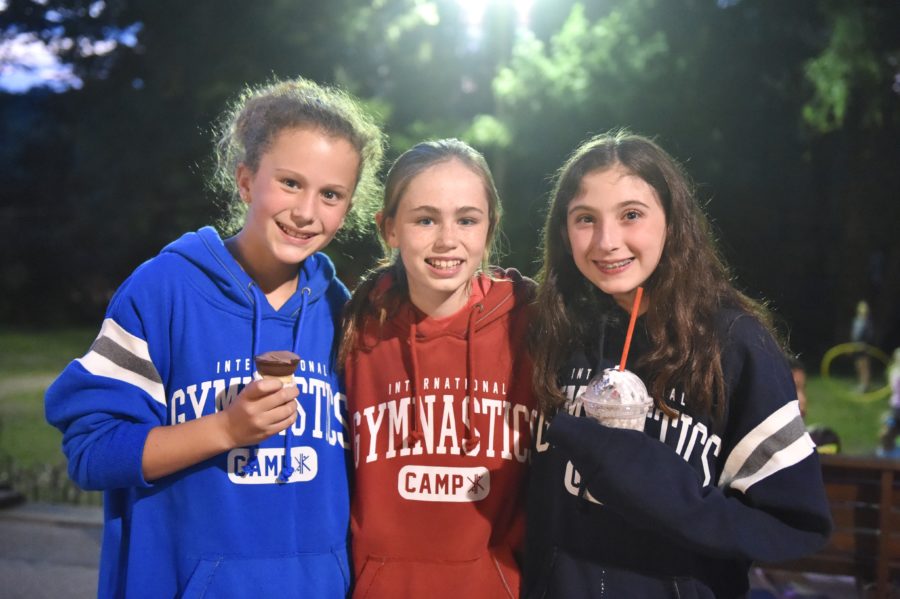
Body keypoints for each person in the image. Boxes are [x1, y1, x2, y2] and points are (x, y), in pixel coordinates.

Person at [44, 77, 385, 598]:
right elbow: (92, 451)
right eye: (290, 183)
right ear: (246, 180)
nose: (306, 212)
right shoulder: (164, 291)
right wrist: (226, 429)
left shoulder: (343, 313)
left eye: (331, 194)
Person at [524, 130, 832, 598]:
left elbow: (793, 523)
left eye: (631, 215)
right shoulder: (555, 331)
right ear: (564, 233)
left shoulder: (733, 343)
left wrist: (655, 487)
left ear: (672, 220)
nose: (607, 241)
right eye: (585, 219)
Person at [339, 139, 535, 598]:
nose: (447, 239)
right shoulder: (354, 328)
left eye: (466, 220)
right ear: (389, 228)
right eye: (425, 220)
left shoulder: (531, 325)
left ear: (490, 228)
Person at [879, 348, 900, 454]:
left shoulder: (893, 371)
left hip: (894, 404)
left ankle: (889, 445)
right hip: (897, 406)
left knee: (892, 426)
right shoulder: (897, 374)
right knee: (894, 426)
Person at [851, 300, 875, 392]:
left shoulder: (867, 322)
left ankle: (865, 386)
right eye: (861, 308)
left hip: (864, 347)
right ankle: (861, 384)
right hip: (856, 346)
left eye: (864, 308)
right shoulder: (856, 320)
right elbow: (854, 334)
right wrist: (852, 346)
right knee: (858, 366)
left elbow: (870, 335)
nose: (863, 310)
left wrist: (865, 344)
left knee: (864, 366)